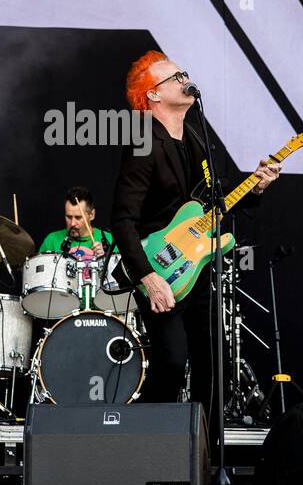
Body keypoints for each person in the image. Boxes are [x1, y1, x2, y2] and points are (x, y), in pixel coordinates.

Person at [111, 51, 281, 405]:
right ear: (153, 96)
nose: (183, 79)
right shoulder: (145, 142)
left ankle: (204, 452)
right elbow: (123, 219)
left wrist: (257, 185)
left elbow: (218, 198)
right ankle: (154, 446)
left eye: (182, 73)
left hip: (197, 267)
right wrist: (148, 277)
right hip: (161, 268)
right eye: (173, 77)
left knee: (215, 367)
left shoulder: (197, 138)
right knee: (171, 363)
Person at [36, 186, 112, 260]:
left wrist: (105, 259)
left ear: (92, 215)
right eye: (68, 217)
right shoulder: (51, 241)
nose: (72, 223)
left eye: (78, 217)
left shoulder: (109, 240)